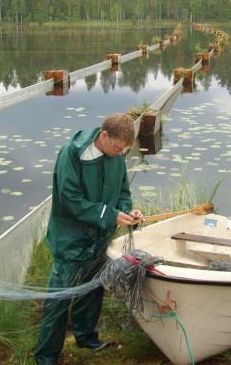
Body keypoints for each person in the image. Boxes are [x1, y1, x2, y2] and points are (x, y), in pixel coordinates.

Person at [34, 113, 142, 365]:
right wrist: (109, 215)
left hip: (99, 237)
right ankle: (46, 354)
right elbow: (70, 199)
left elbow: (123, 192)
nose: (119, 154)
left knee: (94, 288)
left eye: (124, 150)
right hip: (71, 239)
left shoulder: (115, 155)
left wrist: (127, 211)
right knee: (59, 298)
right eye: (116, 148)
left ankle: (86, 336)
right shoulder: (71, 154)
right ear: (103, 136)